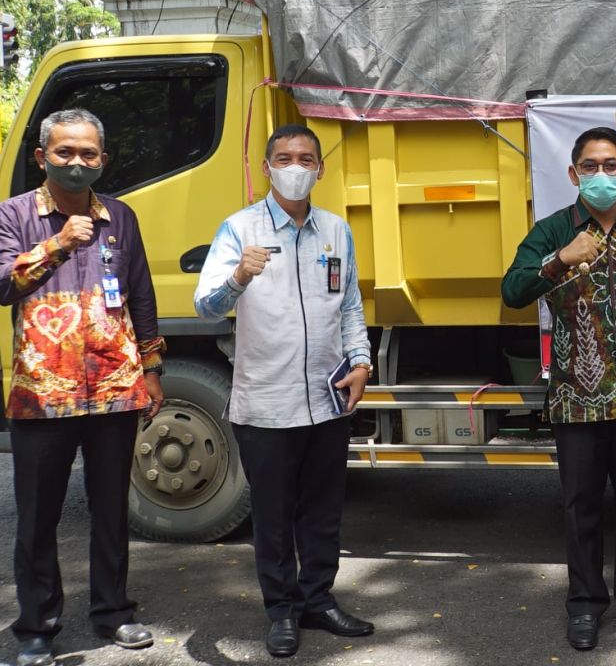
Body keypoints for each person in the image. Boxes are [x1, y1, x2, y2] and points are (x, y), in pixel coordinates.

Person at [501, 126, 616, 651]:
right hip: (575, 398)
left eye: (611, 166)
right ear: (573, 173)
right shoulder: (552, 230)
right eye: (590, 166)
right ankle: (585, 604)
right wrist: (561, 257)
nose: (601, 175)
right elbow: (513, 291)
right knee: (581, 506)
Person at [194, 124, 373, 659]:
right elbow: (206, 305)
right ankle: (282, 611)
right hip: (266, 402)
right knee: (273, 516)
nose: (295, 166)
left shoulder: (336, 230)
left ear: (320, 168)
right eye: (284, 157)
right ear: (268, 165)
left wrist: (361, 361)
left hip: (326, 399)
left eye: (306, 158)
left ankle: (318, 599)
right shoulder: (239, 228)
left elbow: (350, 306)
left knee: (323, 512)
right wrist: (238, 278)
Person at [0, 109, 165, 666]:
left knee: (110, 510)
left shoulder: (121, 216)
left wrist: (152, 368)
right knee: (37, 517)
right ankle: (37, 627)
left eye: (88, 154)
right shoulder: (14, 214)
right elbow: (2, 284)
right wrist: (60, 244)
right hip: (42, 394)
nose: (77, 162)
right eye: (65, 152)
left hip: (115, 389)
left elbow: (140, 294)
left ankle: (113, 612)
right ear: (42, 156)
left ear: (103, 160)